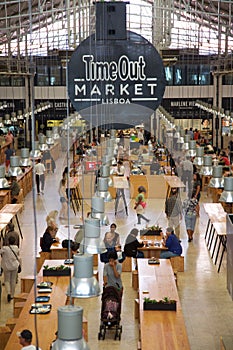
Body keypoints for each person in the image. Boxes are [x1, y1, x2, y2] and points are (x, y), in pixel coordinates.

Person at [0, 236, 21, 302]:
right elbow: (18, 255)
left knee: (7, 280)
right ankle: (12, 295)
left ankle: (8, 292)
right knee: (13, 280)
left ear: (8, 241)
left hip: (6, 266)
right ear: (14, 242)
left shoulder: (5, 248)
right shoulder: (16, 248)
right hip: (14, 266)